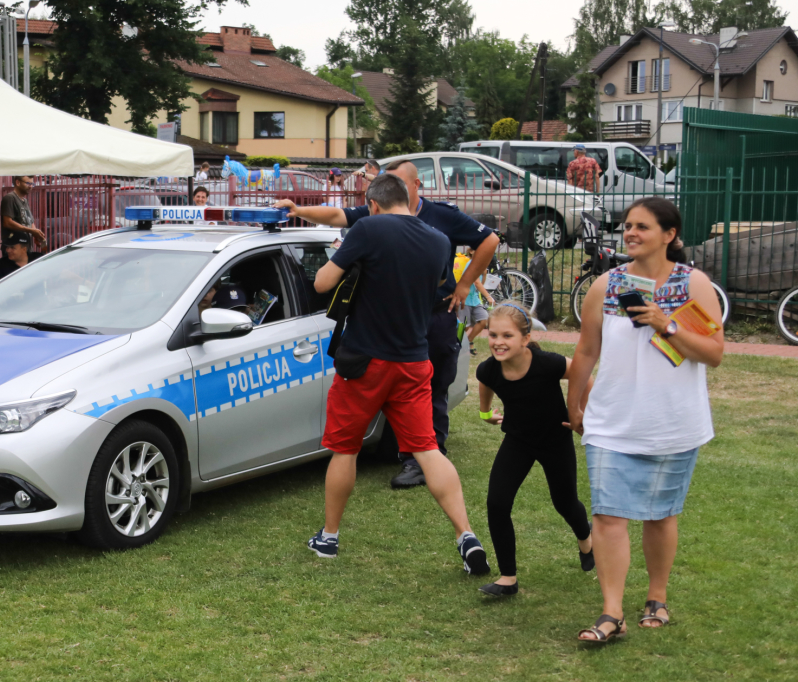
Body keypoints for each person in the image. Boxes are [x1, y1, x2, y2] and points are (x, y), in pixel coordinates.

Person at [276, 159, 500, 491]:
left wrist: (465, 284)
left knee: (432, 387)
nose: (390, 187)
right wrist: (299, 209)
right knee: (400, 385)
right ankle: (402, 449)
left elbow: (490, 240)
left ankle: (420, 459)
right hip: (391, 319)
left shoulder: (441, 216)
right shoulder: (376, 217)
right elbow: (338, 216)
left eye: (397, 181)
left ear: (415, 186)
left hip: (434, 313)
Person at [306, 173, 491, 575]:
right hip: (413, 360)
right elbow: (438, 286)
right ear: (407, 198)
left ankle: (330, 537)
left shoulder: (368, 228)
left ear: (372, 203)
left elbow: (322, 284)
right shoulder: (439, 240)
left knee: (345, 447)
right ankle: (466, 535)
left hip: (365, 361)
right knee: (427, 448)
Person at [566, 196, 724, 643]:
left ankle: (657, 596)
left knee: (660, 515)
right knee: (608, 514)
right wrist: (574, 404)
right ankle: (611, 613)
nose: (630, 233)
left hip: (672, 422)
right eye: (627, 226)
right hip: (611, 421)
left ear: (669, 235)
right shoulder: (606, 285)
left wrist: (666, 324)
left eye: (642, 227)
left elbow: (714, 353)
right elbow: (586, 351)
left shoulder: (694, 285)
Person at [476, 303, 595, 597]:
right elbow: (485, 391)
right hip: (518, 440)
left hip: (556, 439)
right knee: (497, 503)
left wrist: (580, 411)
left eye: (507, 336)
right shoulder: (488, 370)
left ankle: (586, 538)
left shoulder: (547, 364)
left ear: (525, 339)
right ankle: (508, 578)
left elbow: (585, 376)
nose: (498, 342)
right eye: (493, 335)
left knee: (565, 503)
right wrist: (485, 414)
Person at [454, 247, 494, 355]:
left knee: (483, 319)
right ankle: (456, 346)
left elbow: (481, 283)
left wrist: (484, 274)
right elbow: (476, 283)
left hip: (475, 300)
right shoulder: (471, 264)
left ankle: (469, 340)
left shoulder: (480, 264)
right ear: (471, 251)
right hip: (465, 299)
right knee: (464, 326)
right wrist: (488, 297)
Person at [2, 175, 46, 248]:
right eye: (28, 183)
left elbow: (29, 221)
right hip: (13, 249)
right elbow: (7, 223)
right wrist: (32, 231)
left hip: (25, 248)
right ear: (18, 182)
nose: (30, 186)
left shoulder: (25, 201)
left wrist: (36, 235)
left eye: (32, 184)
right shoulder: (10, 198)